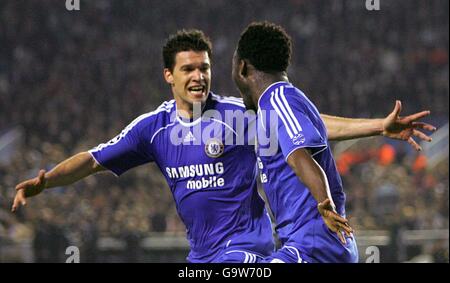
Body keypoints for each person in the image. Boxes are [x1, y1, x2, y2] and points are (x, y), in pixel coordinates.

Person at [12, 29, 435, 263]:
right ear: (169, 76)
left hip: (248, 251)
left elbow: (307, 128)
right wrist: (46, 183)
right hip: (203, 256)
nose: (199, 76)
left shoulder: (240, 115)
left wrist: (376, 126)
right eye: (189, 69)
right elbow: (94, 160)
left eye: (205, 67)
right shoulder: (152, 130)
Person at [231, 21, 435, 263]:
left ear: (242, 67)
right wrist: (380, 126)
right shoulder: (289, 101)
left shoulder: (276, 100)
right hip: (319, 245)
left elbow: (298, 155)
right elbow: (321, 126)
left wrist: (324, 202)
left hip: (313, 247)